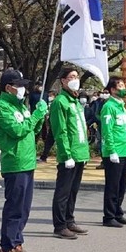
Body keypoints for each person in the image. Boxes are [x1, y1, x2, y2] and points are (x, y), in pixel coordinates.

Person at [0, 69, 47, 252]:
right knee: (14, 207)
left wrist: (39, 116)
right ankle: (6, 247)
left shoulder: (20, 106)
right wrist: (35, 117)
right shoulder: (2, 107)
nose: (23, 89)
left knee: (24, 207)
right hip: (14, 162)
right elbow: (18, 130)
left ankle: (16, 242)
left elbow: (32, 129)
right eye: (19, 86)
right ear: (8, 88)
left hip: (27, 160)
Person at [49, 66, 90, 239]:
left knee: (73, 190)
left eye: (77, 76)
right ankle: (60, 225)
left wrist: (85, 153)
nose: (75, 79)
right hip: (69, 154)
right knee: (63, 191)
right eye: (71, 77)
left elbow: (81, 128)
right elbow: (61, 131)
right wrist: (66, 155)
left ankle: (69, 220)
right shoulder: (60, 102)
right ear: (63, 81)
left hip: (80, 152)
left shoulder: (75, 101)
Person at [100, 76, 126, 228]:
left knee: (121, 185)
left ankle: (117, 212)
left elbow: (123, 131)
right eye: (120, 86)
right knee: (112, 186)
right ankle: (109, 216)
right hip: (113, 153)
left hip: (124, 151)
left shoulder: (121, 106)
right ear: (113, 90)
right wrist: (112, 150)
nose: (124, 89)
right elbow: (107, 131)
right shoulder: (109, 107)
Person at [37, 91, 56, 162]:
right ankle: (44, 157)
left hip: (58, 126)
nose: (49, 97)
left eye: (51, 95)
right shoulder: (50, 103)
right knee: (48, 142)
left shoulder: (56, 103)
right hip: (52, 126)